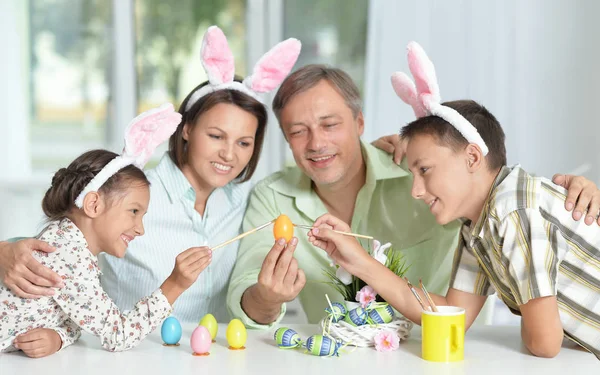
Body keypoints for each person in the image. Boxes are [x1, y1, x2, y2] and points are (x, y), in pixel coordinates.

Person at [226, 63, 600, 327]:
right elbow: (247, 287)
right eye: (298, 131)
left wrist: (569, 197)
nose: (317, 143)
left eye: (330, 124)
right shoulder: (272, 197)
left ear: (359, 122)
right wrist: (266, 297)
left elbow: (491, 185)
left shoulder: (417, 169)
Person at [307, 42, 600, 359]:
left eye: (425, 170)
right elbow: (450, 316)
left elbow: (544, 344)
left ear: (473, 157)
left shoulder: (513, 209)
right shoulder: (478, 227)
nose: (415, 190)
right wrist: (359, 261)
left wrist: (533, 316)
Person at [0, 26, 302, 324]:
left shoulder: (248, 200)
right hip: (132, 356)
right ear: (186, 129)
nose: (229, 154)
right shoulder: (129, 194)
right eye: (215, 136)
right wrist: (3, 252)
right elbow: (54, 241)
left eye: (243, 143)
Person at [0, 105, 212, 358]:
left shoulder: (66, 242)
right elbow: (117, 335)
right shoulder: (70, 257)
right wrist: (175, 285)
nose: (140, 229)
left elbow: (75, 317)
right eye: (134, 211)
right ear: (93, 204)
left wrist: (58, 336)